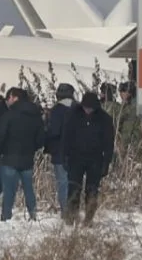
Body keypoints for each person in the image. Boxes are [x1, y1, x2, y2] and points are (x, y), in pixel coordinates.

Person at [61, 90, 116, 225]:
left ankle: (89, 218)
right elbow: (66, 138)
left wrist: (106, 162)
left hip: (95, 159)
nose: (87, 110)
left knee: (92, 190)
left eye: (90, 108)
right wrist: (64, 156)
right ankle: (71, 217)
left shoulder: (105, 119)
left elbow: (109, 143)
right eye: (85, 108)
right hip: (75, 158)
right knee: (74, 188)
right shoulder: (73, 116)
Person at [0, 87, 44, 221]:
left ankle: (6, 216)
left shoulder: (9, 115)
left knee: (9, 190)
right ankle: (33, 215)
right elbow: (41, 138)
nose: (7, 101)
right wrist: (32, 148)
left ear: (14, 98)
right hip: (27, 157)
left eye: (9, 97)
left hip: (9, 157)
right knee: (29, 189)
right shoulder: (35, 115)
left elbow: (0, 136)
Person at [44, 83, 76, 215]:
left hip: (60, 152)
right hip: (78, 152)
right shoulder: (79, 108)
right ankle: (75, 208)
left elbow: (53, 132)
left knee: (63, 182)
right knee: (74, 182)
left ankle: (66, 211)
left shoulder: (57, 110)